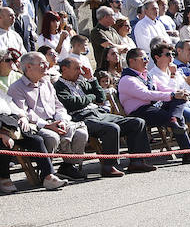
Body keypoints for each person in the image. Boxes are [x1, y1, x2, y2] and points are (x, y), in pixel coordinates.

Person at [54, 56, 156, 175]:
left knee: (137, 122)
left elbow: (101, 97)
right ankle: (108, 166)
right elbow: (73, 104)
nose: (80, 72)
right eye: (77, 69)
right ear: (65, 69)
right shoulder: (58, 86)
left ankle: (137, 161)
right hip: (81, 118)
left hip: (98, 113)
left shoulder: (81, 82)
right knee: (111, 128)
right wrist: (91, 97)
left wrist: (91, 79)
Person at [8, 51, 91, 180]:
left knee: (81, 133)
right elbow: (24, 112)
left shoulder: (46, 83)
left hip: (55, 121)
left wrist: (61, 120)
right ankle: (47, 171)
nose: (47, 66)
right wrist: (47, 125)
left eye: (46, 63)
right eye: (42, 64)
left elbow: (58, 105)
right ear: (29, 67)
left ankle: (68, 166)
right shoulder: (16, 88)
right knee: (52, 137)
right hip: (36, 125)